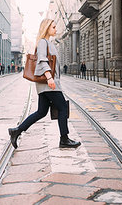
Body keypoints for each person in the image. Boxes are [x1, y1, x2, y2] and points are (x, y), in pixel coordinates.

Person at [8, 19, 81, 149]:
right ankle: (64, 139)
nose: (55, 29)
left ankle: (17, 131)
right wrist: (49, 78)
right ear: (47, 28)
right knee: (63, 108)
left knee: (41, 112)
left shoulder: (48, 43)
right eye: (53, 27)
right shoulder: (43, 42)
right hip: (49, 83)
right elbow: (42, 60)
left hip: (45, 84)